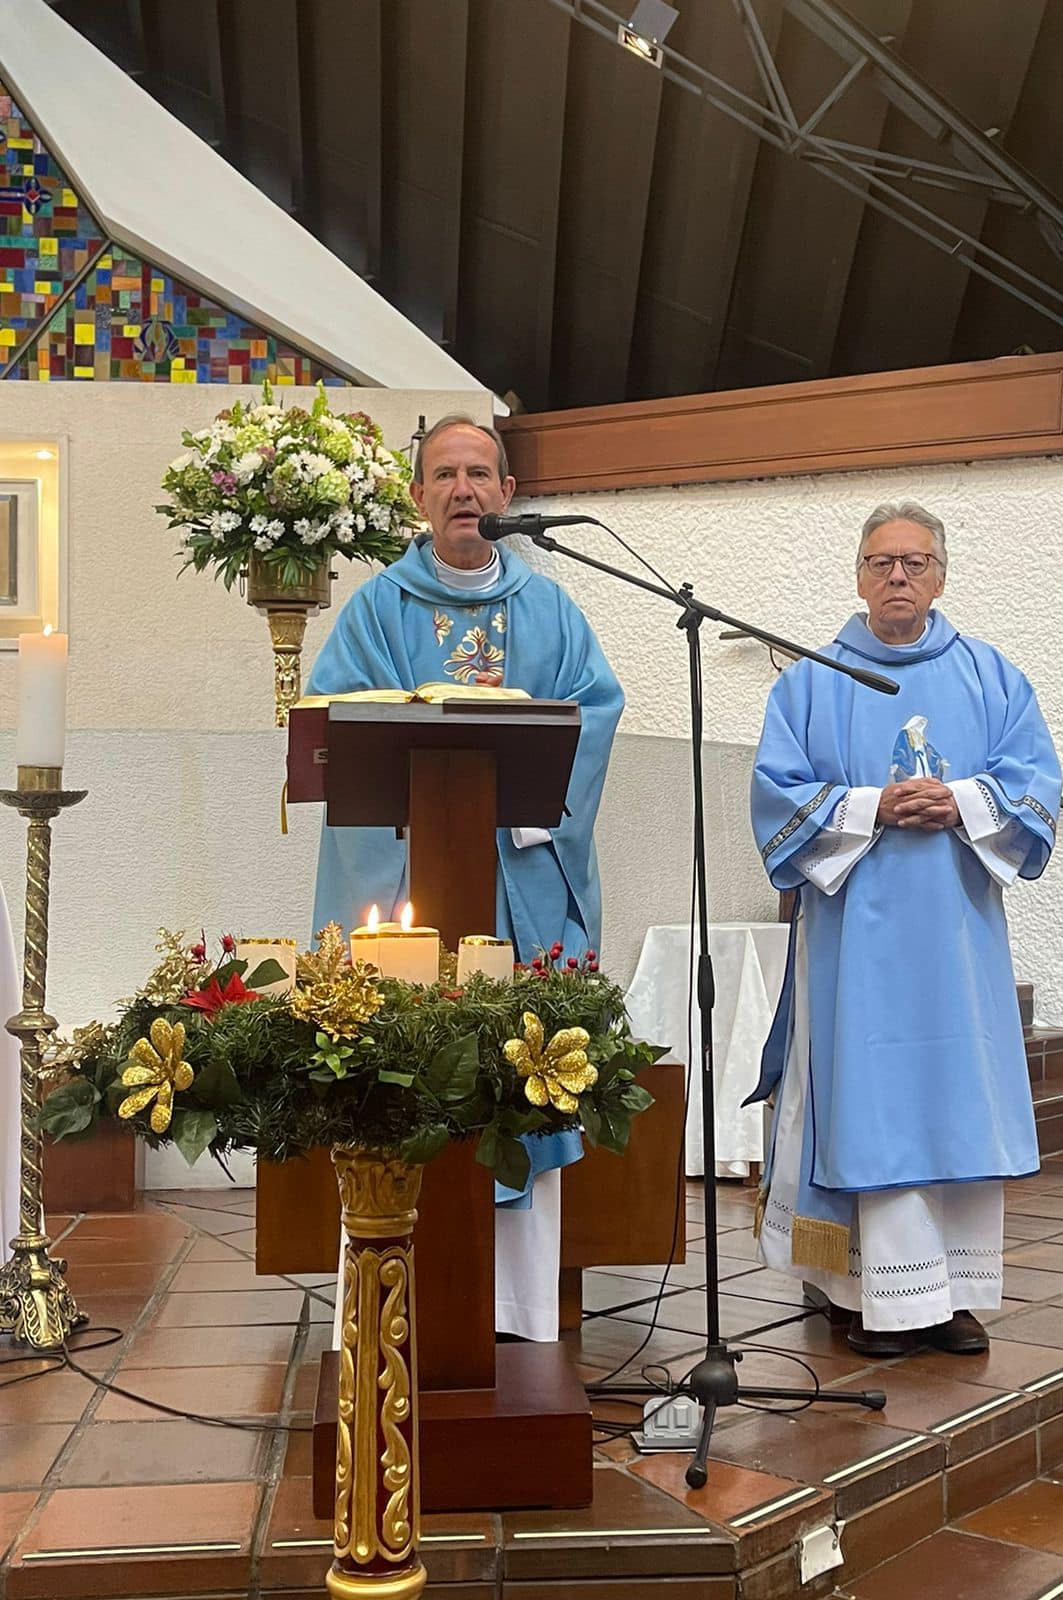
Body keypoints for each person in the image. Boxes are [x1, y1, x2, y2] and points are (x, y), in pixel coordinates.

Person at [309, 414, 624, 1341]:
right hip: (416, 879)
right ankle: (391, 1296)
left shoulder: (552, 611)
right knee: (402, 1072)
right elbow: (340, 724)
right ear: (417, 496)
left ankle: (519, 1309)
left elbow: (594, 713)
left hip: (519, 879)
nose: (463, 490)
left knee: (525, 1069)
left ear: (508, 493)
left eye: (479, 473)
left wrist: (525, 807)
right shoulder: (376, 611)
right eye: (444, 474)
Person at [748, 501, 1061, 1357]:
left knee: (955, 1103)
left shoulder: (991, 676)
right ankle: (859, 1295)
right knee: (867, 1105)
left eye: (915, 563)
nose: (898, 576)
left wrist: (961, 801)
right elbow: (775, 795)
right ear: (858, 576)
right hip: (854, 944)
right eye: (882, 562)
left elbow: (1035, 780)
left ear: (941, 576)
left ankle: (951, 1296)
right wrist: (869, 806)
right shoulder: (812, 680)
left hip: (958, 941)